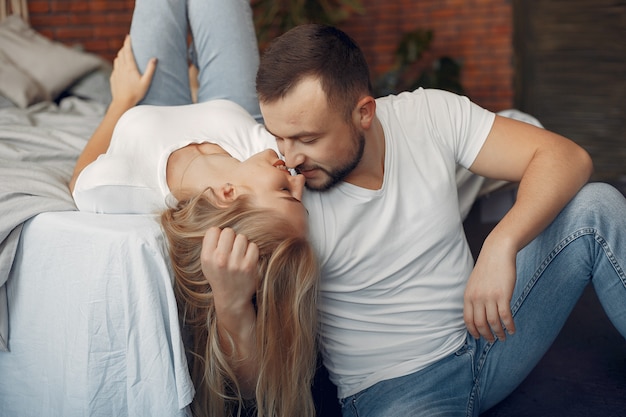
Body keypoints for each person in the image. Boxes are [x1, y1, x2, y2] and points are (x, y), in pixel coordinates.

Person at [204, 24, 626, 416]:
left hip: (488, 338)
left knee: (597, 206)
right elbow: (256, 386)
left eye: (308, 139)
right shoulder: (285, 198)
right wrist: (231, 304)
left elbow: (566, 157)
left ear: (363, 113)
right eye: (279, 137)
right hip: (395, 393)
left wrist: (502, 243)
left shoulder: (428, 115)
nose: (291, 157)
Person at [69, 1, 319, 416]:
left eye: (285, 190)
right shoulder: (268, 151)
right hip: (235, 108)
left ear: (226, 194)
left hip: (148, 103)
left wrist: (119, 102)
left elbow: (80, 180)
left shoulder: (124, 188)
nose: (297, 178)